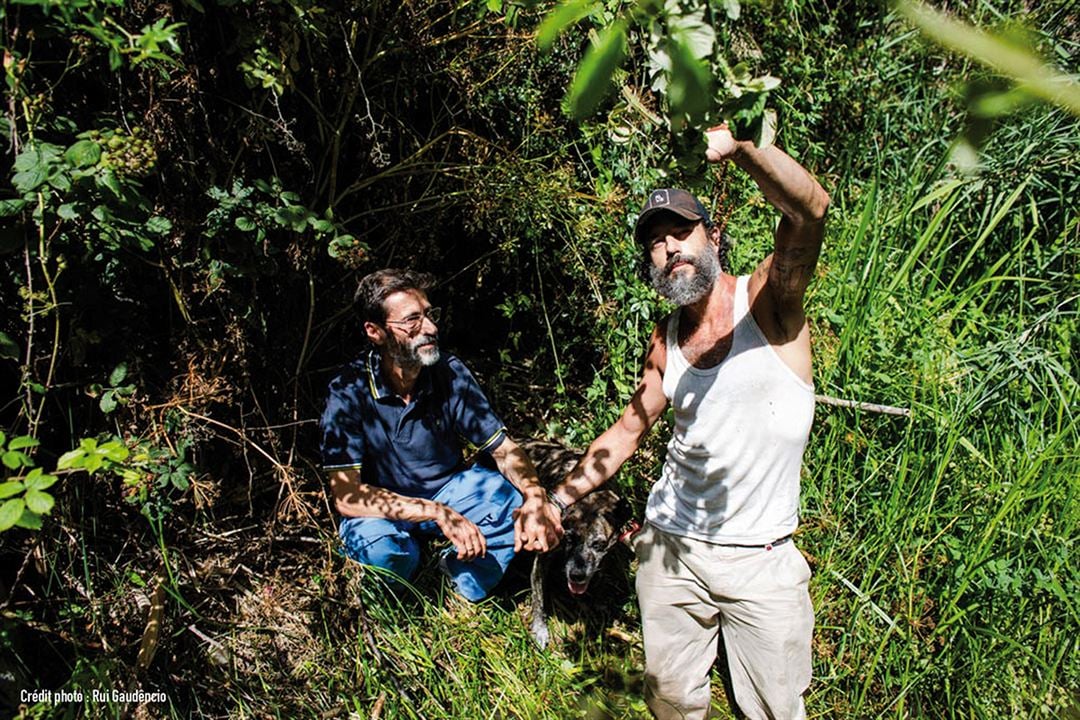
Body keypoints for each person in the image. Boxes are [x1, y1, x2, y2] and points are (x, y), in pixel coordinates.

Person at [548, 125, 829, 719]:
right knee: (670, 702)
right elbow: (627, 431)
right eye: (655, 242)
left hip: (761, 555)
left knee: (777, 709)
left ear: (714, 236)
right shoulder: (666, 337)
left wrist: (744, 147)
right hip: (671, 546)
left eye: (682, 231)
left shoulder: (768, 303)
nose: (670, 247)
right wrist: (555, 500)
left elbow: (809, 213)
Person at [320, 268, 562, 602]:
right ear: (374, 332)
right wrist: (435, 512)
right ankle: (398, 600)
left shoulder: (448, 372)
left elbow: (504, 450)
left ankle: (459, 590)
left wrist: (536, 497)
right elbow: (348, 496)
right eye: (412, 321)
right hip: (386, 508)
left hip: (450, 490)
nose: (430, 328)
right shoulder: (348, 391)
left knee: (511, 502)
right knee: (378, 550)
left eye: (429, 315)